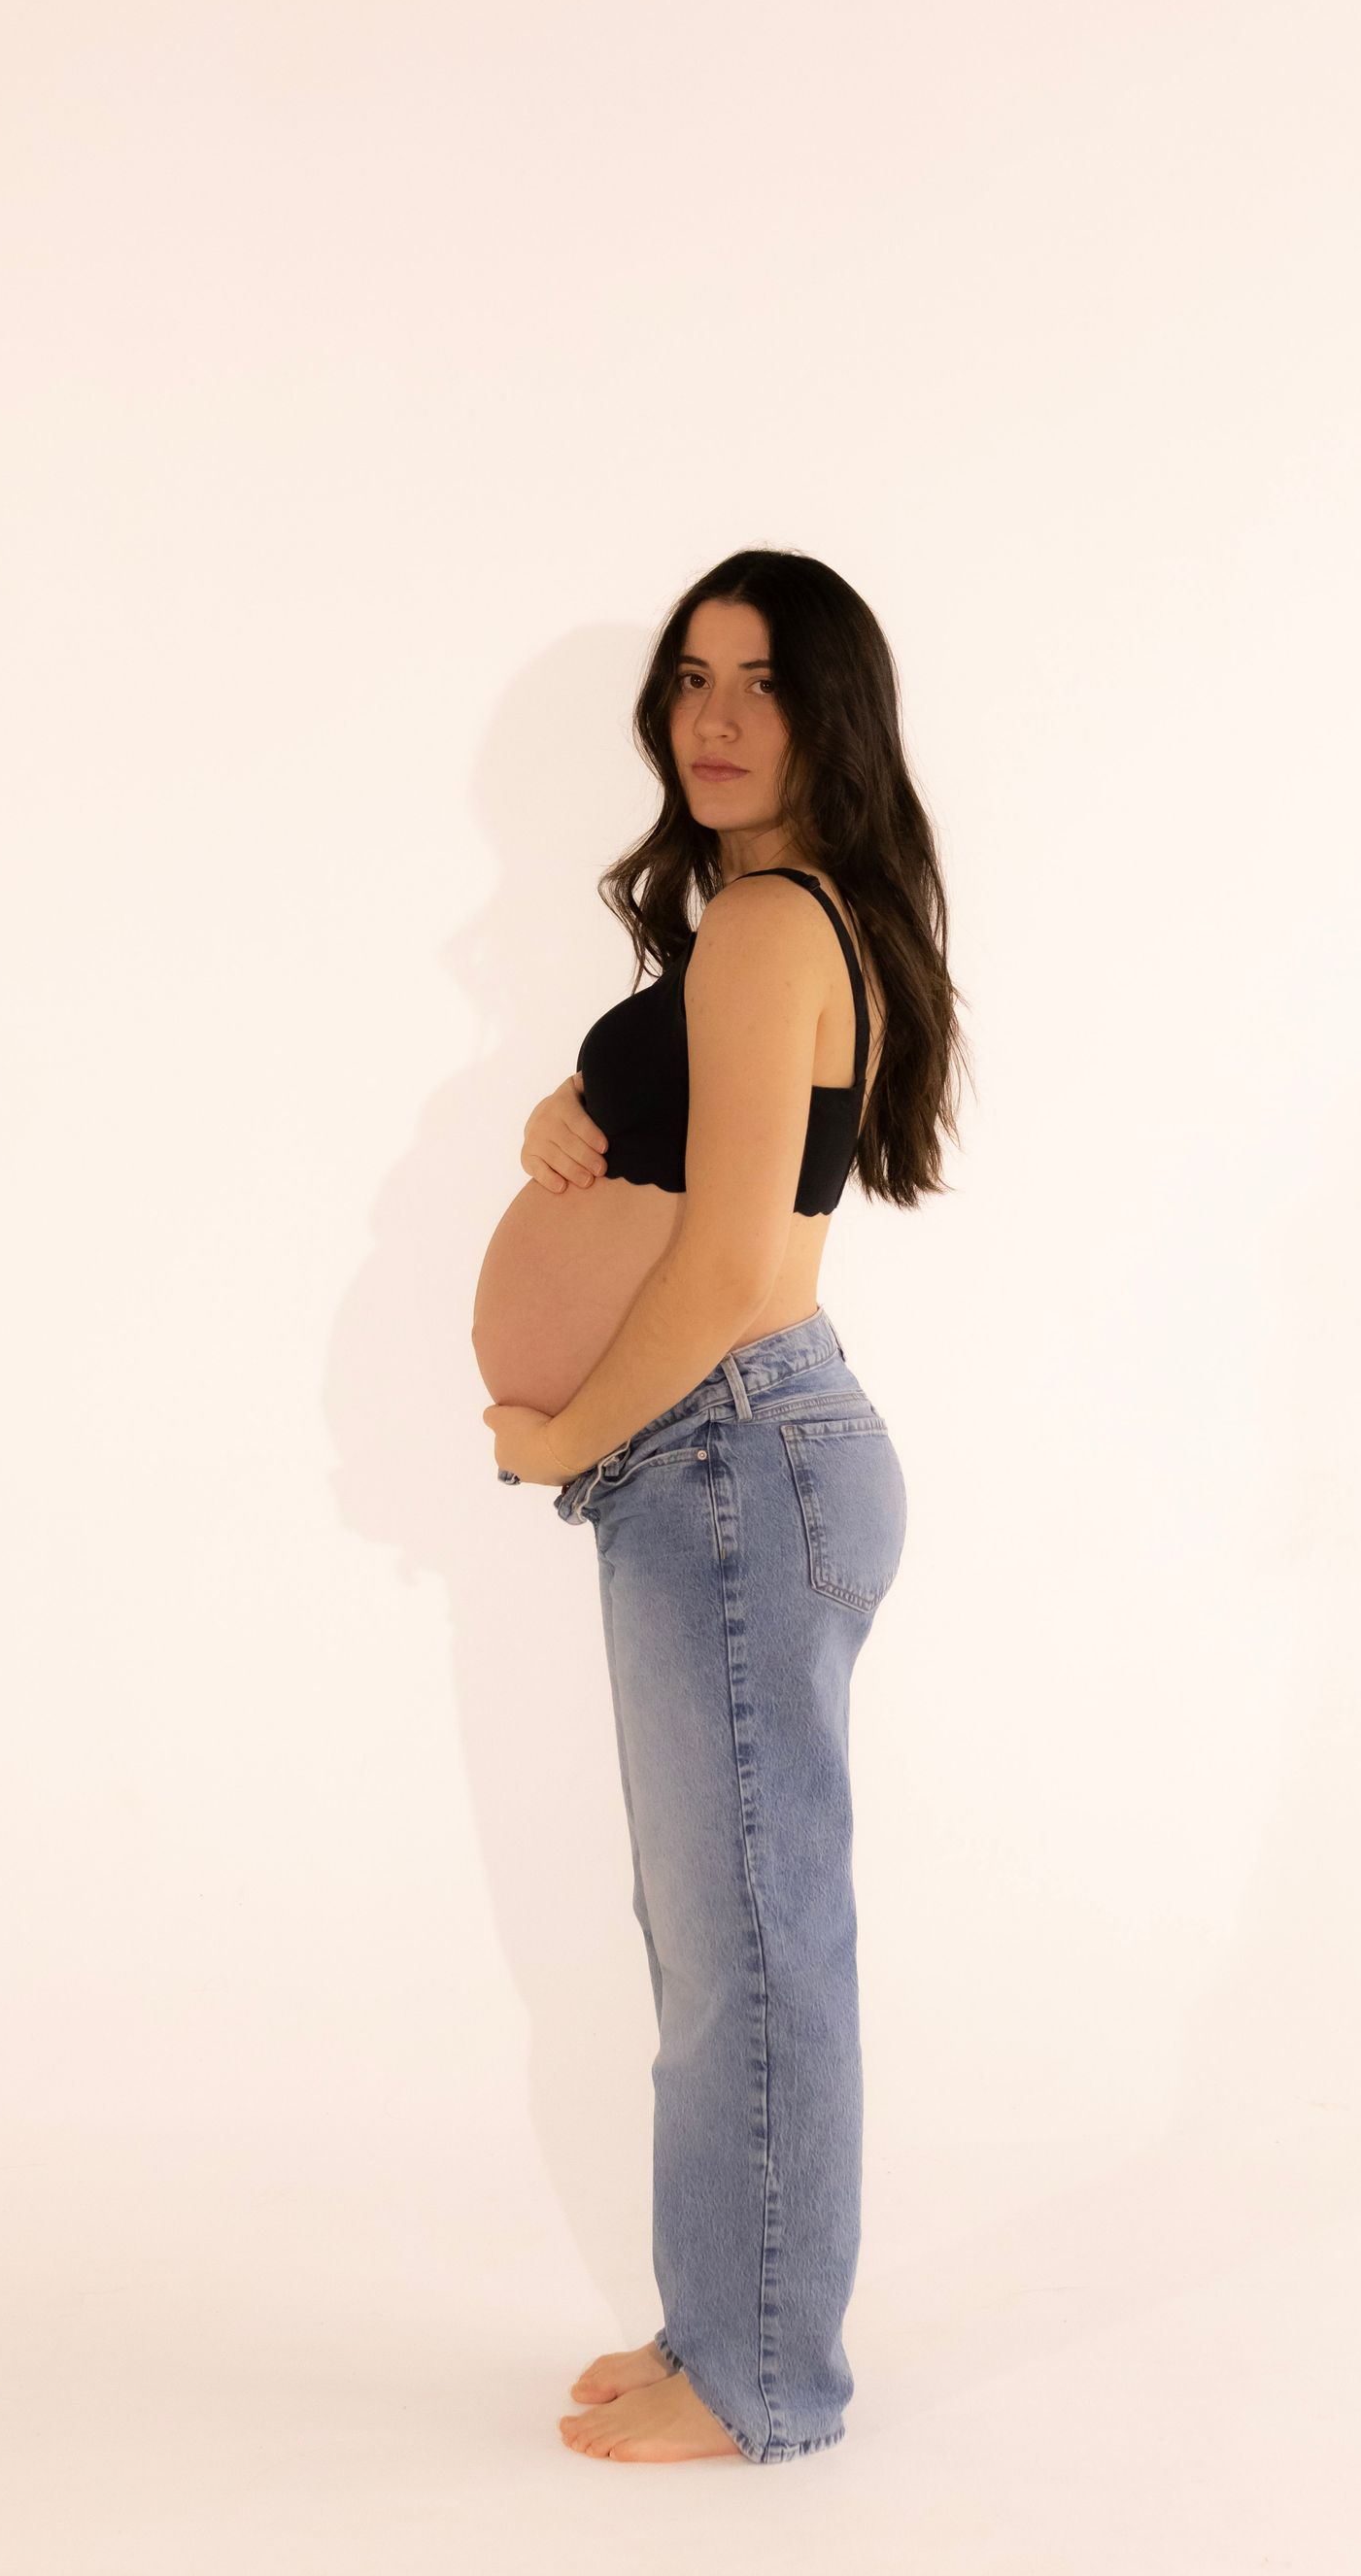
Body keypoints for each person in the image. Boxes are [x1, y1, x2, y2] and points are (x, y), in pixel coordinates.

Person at [485, 548, 967, 2462]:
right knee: (721, 1932)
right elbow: (699, 1181)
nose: (716, 714)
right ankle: (719, 2323)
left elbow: (734, 1276)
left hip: (722, 1443)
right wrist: (568, 1113)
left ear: (828, 709)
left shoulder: (773, 927)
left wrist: (561, 1432)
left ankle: (761, 2372)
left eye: (762, 680)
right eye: (693, 674)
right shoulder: (761, 925)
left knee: (751, 1936)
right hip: (729, 1456)